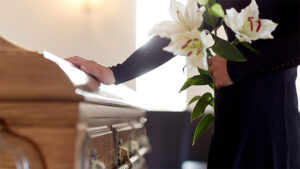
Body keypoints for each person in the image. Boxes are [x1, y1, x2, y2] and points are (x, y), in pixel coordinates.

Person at [66, 0, 300, 168]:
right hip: (232, 115)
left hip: (272, 121)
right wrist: (116, 73)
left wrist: (237, 68)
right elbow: (183, 30)